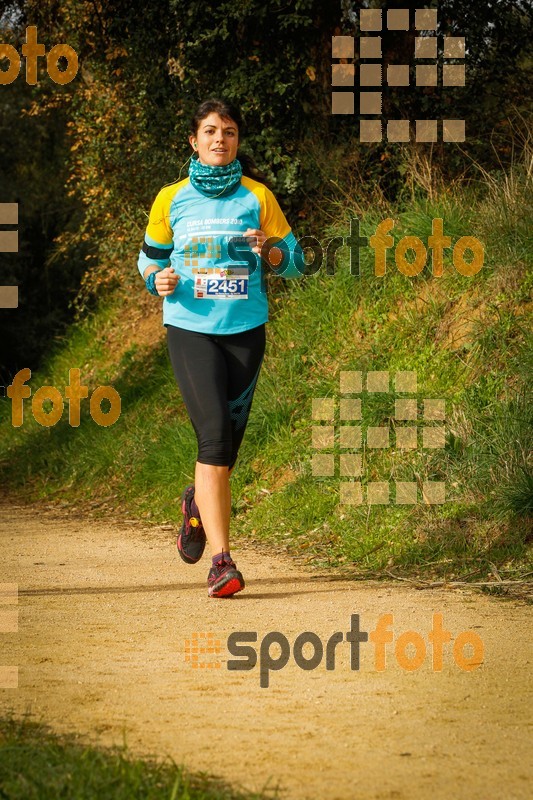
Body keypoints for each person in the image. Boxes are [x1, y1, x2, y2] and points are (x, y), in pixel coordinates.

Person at [138, 97, 304, 598]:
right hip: (191, 329)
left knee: (226, 449)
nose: (219, 140)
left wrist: (270, 250)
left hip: (246, 332)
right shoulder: (171, 198)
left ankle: (196, 505)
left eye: (229, 132)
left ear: (237, 141)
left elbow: (295, 262)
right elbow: (148, 260)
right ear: (194, 140)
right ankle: (221, 562)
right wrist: (157, 280)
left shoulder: (258, 197)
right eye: (210, 131)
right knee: (212, 436)